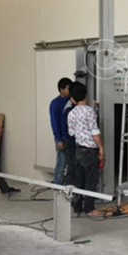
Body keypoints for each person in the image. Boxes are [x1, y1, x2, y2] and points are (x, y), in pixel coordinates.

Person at [67, 81, 104, 217]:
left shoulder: (71, 113)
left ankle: (77, 207)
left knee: (79, 180)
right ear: (85, 96)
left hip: (78, 150)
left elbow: (71, 132)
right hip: (90, 150)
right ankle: (89, 209)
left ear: (72, 99)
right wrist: (101, 148)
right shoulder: (89, 111)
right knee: (91, 180)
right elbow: (95, 132)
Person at [49, 77, 72, 185]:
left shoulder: (71, 101)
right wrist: (58, 139)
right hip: (62, 138)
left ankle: (68, 185)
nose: (70, 90)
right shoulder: (55, 103)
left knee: (70, 163)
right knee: (61, 162)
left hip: (71, 137)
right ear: (61, 89)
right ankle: (57, 184)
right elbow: (54, 122)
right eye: (68, 88)